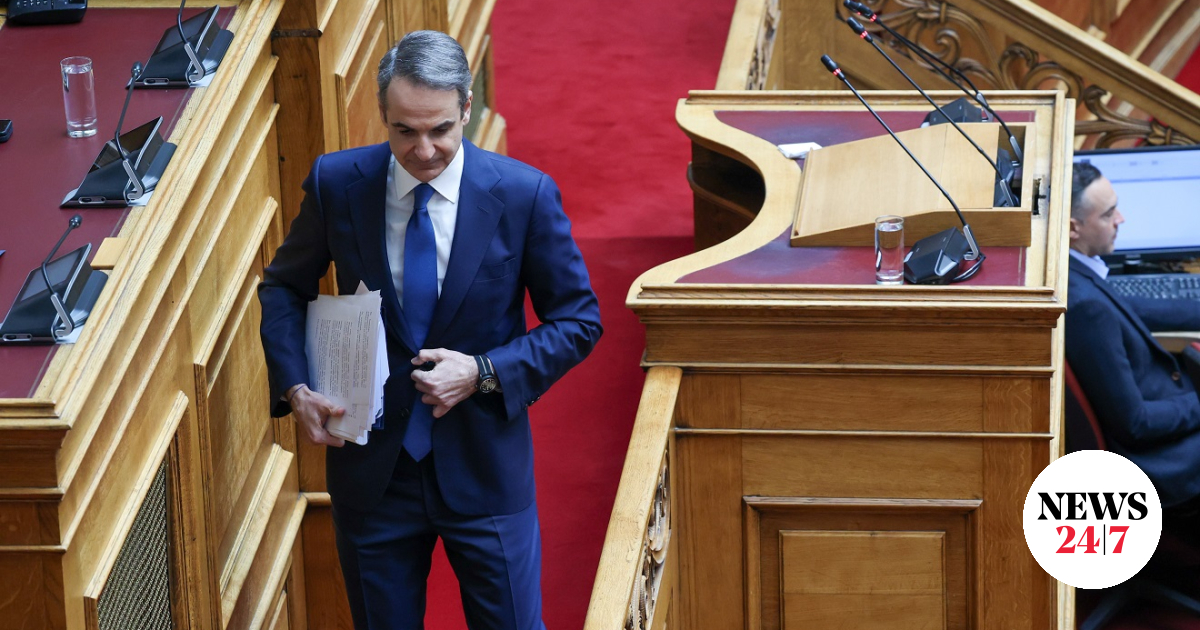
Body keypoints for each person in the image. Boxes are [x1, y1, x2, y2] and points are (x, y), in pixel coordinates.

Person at [257, 30, 602, 630]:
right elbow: (283, 287)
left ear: (466, 109)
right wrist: (297, 387)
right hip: (373, 476)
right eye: (404, 131)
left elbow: (578, 322)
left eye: (440, 129)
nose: (423, 151)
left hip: (485, 471)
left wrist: (483, 372)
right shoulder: (337, 183)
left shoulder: (524, 195)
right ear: (382, 114)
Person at [1064, 160, 1200, 509]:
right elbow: (1136, 424)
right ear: (1074, 228)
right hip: (1163, 460)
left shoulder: (1079, 273)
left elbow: (1141, 307)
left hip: (1168, 407)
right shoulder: (1087, 309)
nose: (1121, 220)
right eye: (1108, 214)